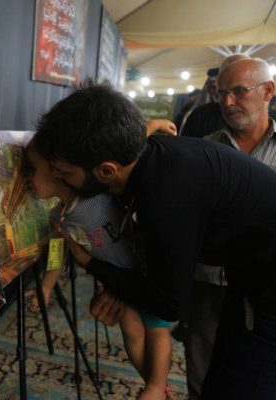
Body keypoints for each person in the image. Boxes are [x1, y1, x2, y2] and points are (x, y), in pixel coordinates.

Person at [34, 81, 276, 399]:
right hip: (248, 277)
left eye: (64, 173)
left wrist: (90, 263)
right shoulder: (150, 157)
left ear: (106, 171)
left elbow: (168, 303)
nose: (58, 177)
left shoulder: (165, 196)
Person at [24, 118, 176, 400]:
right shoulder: (58, 217)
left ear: (57, 169)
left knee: (156, 328)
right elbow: (57, 251)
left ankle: (156, 385)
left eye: (31, 169)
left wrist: (152, 125)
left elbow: (121, 153)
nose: (26, 179)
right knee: (131, 329)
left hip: (147, 272)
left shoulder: (96, 191)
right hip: (118, 281)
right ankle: (155, 385)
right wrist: (45, 286)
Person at [182, 57, 276, 399]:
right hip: (208, 284)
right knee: (202, 372)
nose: (227, 101)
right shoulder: (202, 152)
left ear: (268, 91)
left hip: (268, 292)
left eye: (239, 91)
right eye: (220, 93)